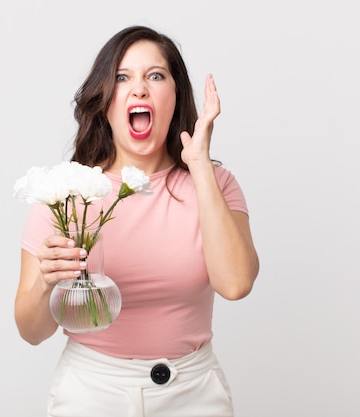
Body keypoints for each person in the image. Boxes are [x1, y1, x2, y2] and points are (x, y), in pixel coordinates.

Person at [15, 25, 259, 417]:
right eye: (122, 77)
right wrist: (46, 282)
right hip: (90, 394)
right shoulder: (64, 192)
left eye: (156, 76)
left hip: (193, 393)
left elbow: (235, 283)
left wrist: (198, 165)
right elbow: (31, 331)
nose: (140, 89)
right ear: (106, 100)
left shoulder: (215, 184)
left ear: (175, 94)